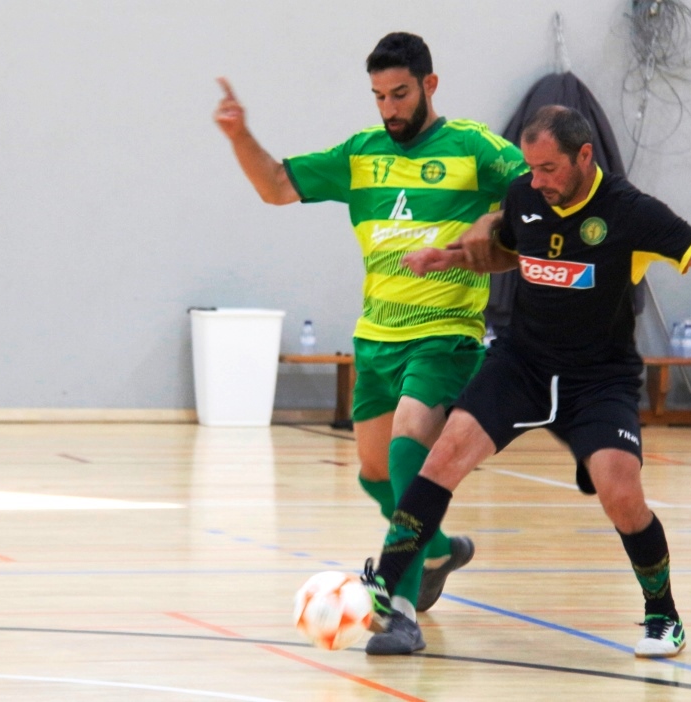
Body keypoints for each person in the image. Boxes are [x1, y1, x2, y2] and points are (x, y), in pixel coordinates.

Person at [357, 105, 691, 658]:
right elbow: (509, 255)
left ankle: (663, 614)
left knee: (620, 494)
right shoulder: (526, 196)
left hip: (598, 377)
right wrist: (450, 258)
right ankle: (390, 588)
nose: (534, 180)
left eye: (547, 168)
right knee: (442, 456)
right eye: (530, 167)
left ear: (584, 155)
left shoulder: (632, 212)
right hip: (523, 362)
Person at [213, 32, 529, 655]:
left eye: (401, 93)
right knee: (374, 474)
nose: (389, 108)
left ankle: (399, 606)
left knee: (412, 448)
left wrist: (486, 227)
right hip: (375, 339)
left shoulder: (472, 148)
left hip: (445, 334)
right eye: (380, 96)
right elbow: (276, 185)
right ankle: (436, 550)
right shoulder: (361, 154)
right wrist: (238, 137)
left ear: (430, 86)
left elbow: (531, 196)